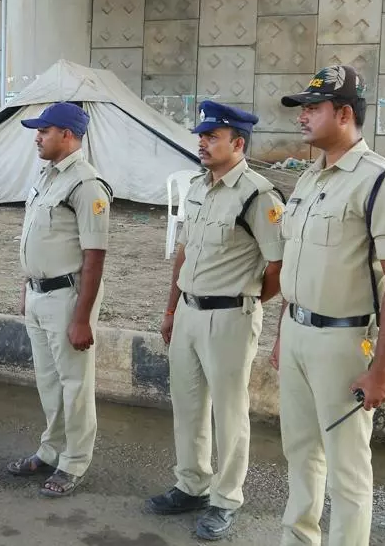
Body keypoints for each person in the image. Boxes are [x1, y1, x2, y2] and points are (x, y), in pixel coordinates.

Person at [273, 65, 385, 545]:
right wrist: (281, 333)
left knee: (347, 468)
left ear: (343, 114)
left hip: (343, 342)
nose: (302, 117)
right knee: (300, 452)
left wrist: (383, 369)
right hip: (296, 333)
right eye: (302, 109)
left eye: (312, 108)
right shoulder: (310, 179)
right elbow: (297, 264)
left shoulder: (381, 182)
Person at [144, 101, 284, 540]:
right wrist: (171, 310)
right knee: (187, 406)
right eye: (201, 136)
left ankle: (226, 500)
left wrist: (248, 299)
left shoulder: (258, 196)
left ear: (238, 144)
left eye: (212, 137)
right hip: (188, 312)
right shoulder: (197, 188)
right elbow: (185, 252)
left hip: (230, 318)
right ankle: (192, 485)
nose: (202, 143)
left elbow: (279, 265)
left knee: (229, 413)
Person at [5, 102, 112, 498]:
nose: (37, 137)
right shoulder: (46, 177)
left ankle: (75, 461)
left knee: (74, 384)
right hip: (38, 294)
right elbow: (39, 239)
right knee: (49, 382)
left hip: (67, 297)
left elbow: (94, 256)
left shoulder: (87, 185)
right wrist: (27, 286)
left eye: (44, 131)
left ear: (67, 135)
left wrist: (82, 318)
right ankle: (50, 450)